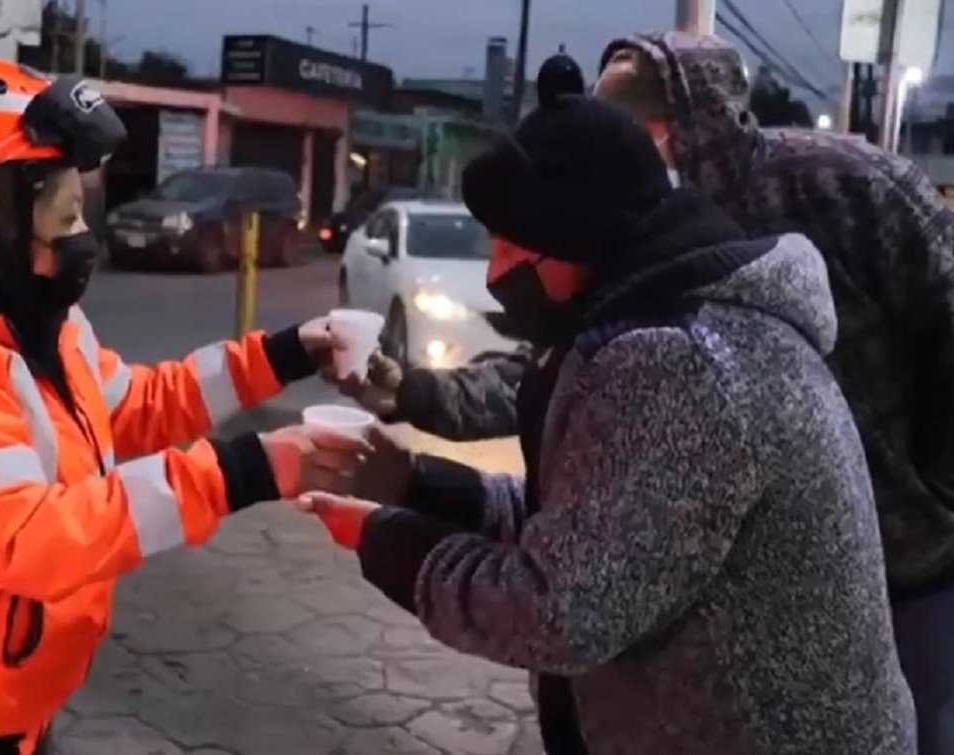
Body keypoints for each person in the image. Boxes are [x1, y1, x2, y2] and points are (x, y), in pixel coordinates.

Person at [297, 95, 916, 754]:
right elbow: (591, 519)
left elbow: (559, 609)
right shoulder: (656, 318)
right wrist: (422, 484)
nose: (495, 270)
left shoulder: (677, 365)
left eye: (512, 246)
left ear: (577, 237)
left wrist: (387, 542)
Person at [0, 59, 365, 755]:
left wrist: (286, 352)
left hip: (9, 711)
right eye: (63, 213)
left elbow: (138, 405)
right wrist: (244, 470)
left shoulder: (36, 322)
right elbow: (33, 540)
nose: (80, 235)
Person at [590, 31, 954, 755]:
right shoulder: (642, 234)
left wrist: (943, 498)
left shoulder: (843, 182)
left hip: (923, 561)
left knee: (939, 729)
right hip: (786, 577)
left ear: (663, 135)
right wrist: (423, 395)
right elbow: (588, 366)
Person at [337, 47, 587, 442]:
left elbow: (573, 506)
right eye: (494, 246)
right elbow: (529, 388)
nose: (497, 275)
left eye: (514, 247)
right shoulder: (584, 348)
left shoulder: (655, 363)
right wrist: (410, 395)